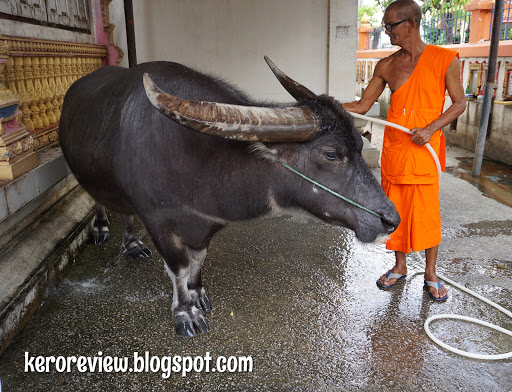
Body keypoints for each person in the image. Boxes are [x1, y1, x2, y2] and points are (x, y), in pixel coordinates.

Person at [343, 0, 466, 300]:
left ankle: (431, 274)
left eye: (391, 26)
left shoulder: (444, 59)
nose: (387, 33)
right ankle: (399, 266)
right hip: (397, 150)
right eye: (384, 27)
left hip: (424, 150)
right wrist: (324, 105)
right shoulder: (386, 65)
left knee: (427, 215)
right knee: (394, 212)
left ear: (411, 23)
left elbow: (460, 103)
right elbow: (361, 106)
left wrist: (431, 128)